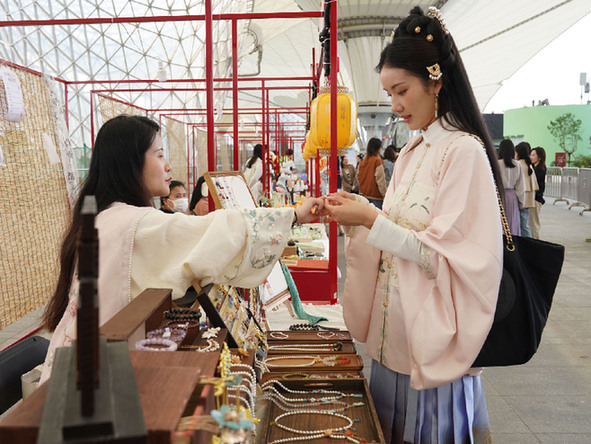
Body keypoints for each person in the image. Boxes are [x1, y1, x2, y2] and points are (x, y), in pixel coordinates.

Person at [321, 6, 503, 443]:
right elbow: (398, 230)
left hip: (432, 342)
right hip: (393, 337)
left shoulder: (463, 152)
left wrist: (370, 218)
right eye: (389, 93)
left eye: (401, 91)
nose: (395, 105)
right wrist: (360, 213)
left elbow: (444, 254)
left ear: (435, 81)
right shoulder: (411, 152)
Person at [40, 115, 323, 383]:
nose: (168, 166)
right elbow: (216, 231)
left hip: (74, 361)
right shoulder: (136, 224)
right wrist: (293, 215)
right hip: (97, 375)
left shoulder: (105, 217)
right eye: (159, 154)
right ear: (130, 163)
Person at [497, 139, 524, 235]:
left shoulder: (496, 164)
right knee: (512, 223)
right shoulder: (518, 164)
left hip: (499, 196)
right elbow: (520, 186)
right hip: (512, 197)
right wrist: (521, 202)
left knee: (500, 223)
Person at [515, 141, 538, 238]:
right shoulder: (529, 165)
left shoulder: (518, 165)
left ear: (518, 153)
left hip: (521, 199)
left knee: (522, 225)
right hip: (528, 200)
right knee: (525, 224)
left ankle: (527, 244)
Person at [358, 137, 387, 209]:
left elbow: (358, 178)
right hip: (376, 197)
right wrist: (385, 195)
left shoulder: (362, 163)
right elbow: (380, 181)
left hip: (364, 196)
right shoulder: (377, 161)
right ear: (378, 148)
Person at [529, 147, 546, 239]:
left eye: (533, 155)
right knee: (532, 223)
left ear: (539, 157)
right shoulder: (535, 167)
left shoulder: (540, 169)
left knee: (534, 224)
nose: (531, 157)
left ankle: (536, 241)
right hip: (535, 199)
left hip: (536, 199)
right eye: (531, 155)